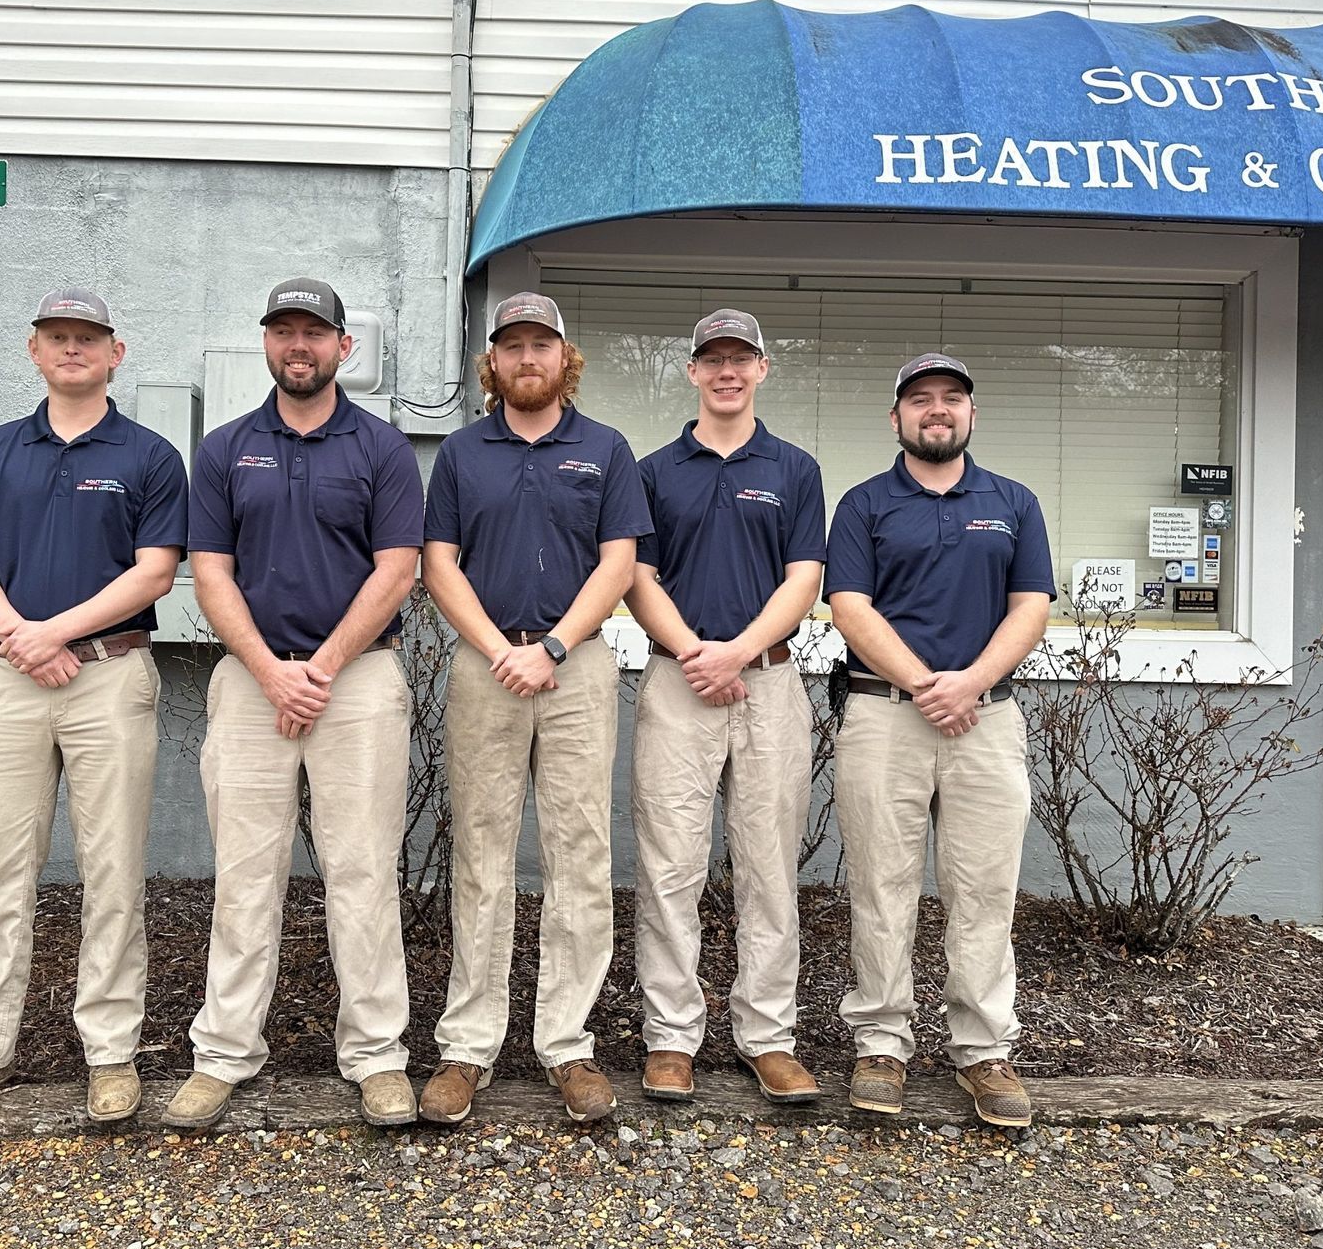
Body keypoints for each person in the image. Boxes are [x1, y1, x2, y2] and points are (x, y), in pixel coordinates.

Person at [0, 287, 189, 1128]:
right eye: (57, 337)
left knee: (113, 875)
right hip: (12, 684)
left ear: (116, 353)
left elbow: (154, 572)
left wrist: (53, 634)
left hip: (110, 678)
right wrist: (20, 637)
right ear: (33, 350)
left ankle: (109, 1053)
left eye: (88, 338)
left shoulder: (149, 456)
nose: (73, 349)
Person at [166, 278, 424, 1130]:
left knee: (362, 872)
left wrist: (319, 668)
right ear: (267, 343)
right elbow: (210, 572)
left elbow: (398, 570)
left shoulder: (383, 449)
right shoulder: (227, 449)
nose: (298, 345)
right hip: (252, 684)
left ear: (344, 346)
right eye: (283, 331)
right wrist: (271, 673)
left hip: (358, 683)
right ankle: (224, 1054)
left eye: (314, 332)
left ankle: (377, 1056)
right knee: (245, 877)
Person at [417, 292, 651, 1125]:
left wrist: (550, 647)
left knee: (579, 853)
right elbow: (438, 562)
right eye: (511, 345)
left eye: (540, 345)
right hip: (487, 667)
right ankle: (468, 1046)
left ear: (564, 357)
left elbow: (618, 562)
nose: (526, 358)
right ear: (494, 362)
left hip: (575, 668)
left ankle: (567, 1044)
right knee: (480, 853)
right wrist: (500, 650)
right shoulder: (461, 453)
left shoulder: (605, 449)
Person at [825, 353, 1053, 1129]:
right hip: (884, 716)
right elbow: (849, 607)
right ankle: (880, 1044)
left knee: (984, 890)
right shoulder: (863, 504)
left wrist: (969, 683)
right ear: (896, 418)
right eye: (920, 399)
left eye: (951, 398)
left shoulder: (1013, 503)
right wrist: (928, 684)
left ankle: (983, 1049)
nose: (937, 410)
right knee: (880, 887)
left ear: (971, 415)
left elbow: (1030, 607)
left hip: (986, 721)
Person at [626, 309, 827, 1105]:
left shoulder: (795, 469)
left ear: (762, 369)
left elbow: (804, 579)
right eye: (712, 359)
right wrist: (696, 655)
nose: (727, 372)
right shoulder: (653, 471)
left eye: (741, 358)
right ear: (693, 372)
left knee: (768, 868)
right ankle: (671, 1037)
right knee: (669, 868)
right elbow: (637, 577)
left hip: (768, 684)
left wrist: (737, 652)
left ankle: (767, 1036)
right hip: (678, 684)